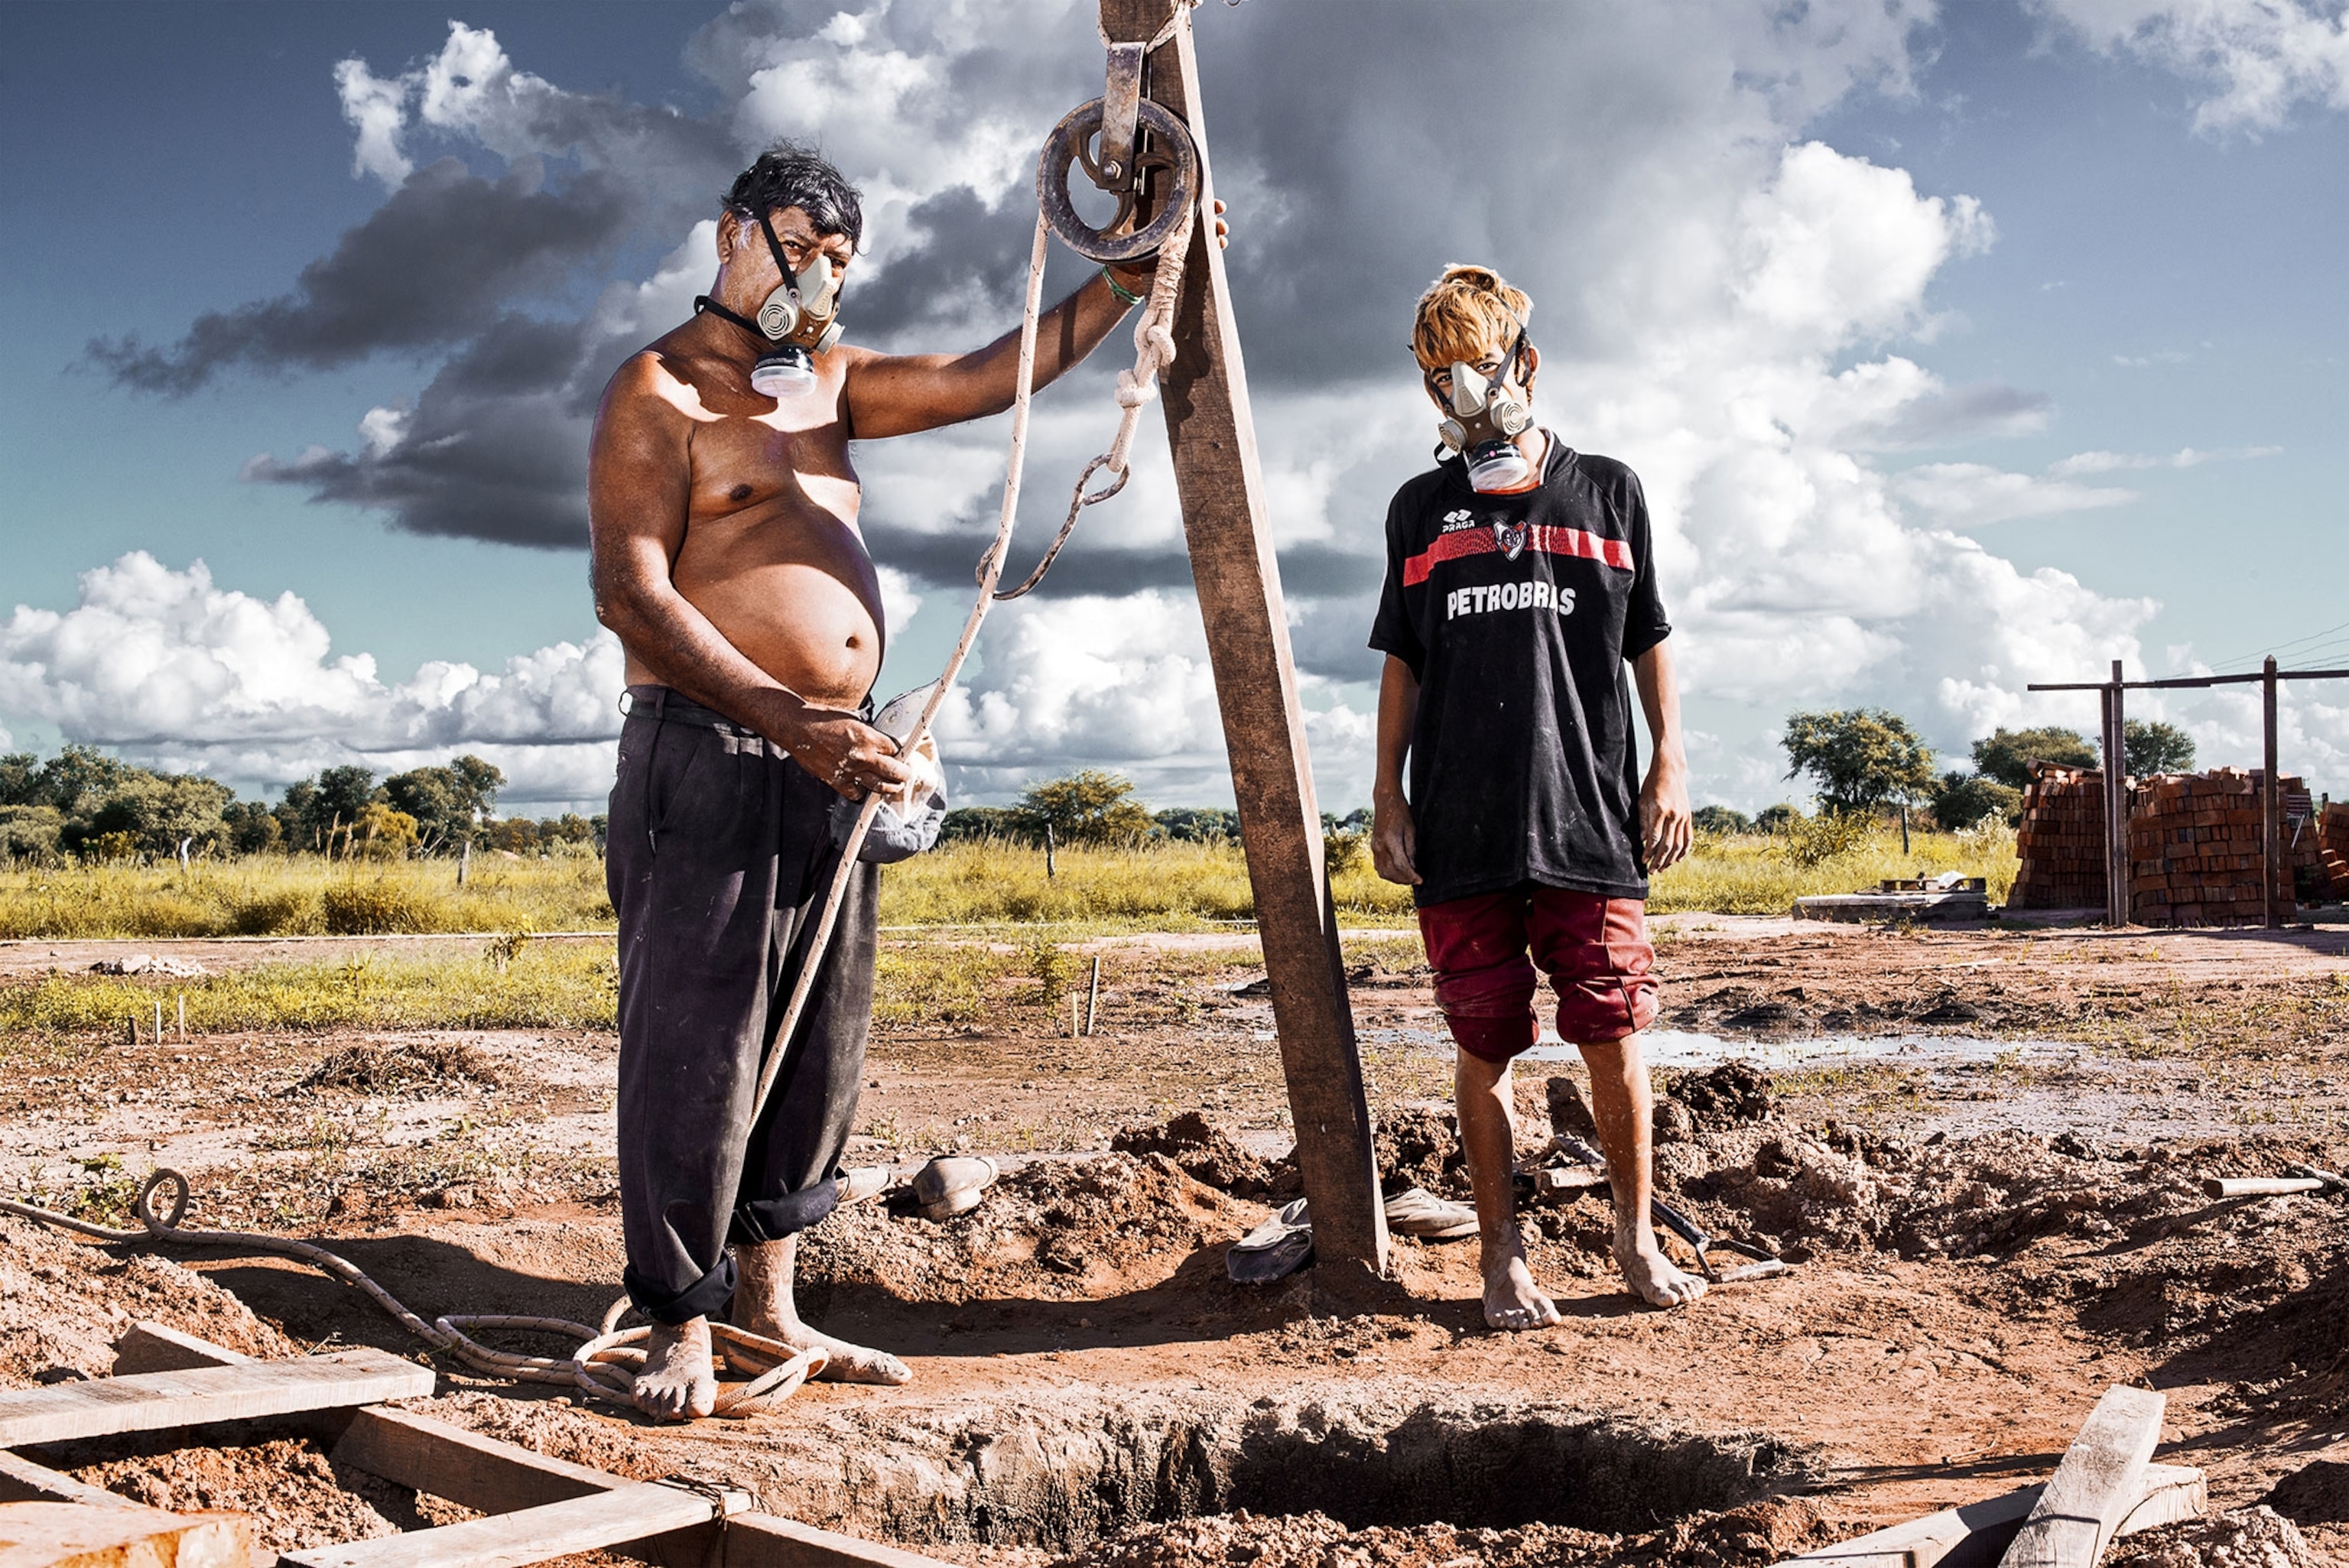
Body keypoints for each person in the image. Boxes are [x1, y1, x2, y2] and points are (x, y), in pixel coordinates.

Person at [587, 142, 1216, 1419]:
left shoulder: (827, 384)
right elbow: (632, 596)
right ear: (731, 233)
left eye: (837, 261)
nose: (818, 277)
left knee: (820, 1042)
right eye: (801, 248)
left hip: (837, 761)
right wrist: (784, 715)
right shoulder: (658, 391)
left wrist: (1131, 273)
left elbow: (991, 376)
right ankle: (677, 1325)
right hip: (706, 755)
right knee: (696, 1048)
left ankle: (769, 1305)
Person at [1367, 264, 1701, 1331]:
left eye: (1479, 367)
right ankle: (1502, 1263)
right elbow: (1403, 662)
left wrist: (1671, 764)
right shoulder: (1421, 510)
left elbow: (1648, 640)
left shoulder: (1610, 492)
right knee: (1483, 1045)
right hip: (1460, 828)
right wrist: (1387, 795)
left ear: (1528, 364)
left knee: (1613, 1032)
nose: (1464, 394)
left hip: (1590, 818)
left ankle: (1636, 1241)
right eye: (1438, 377)